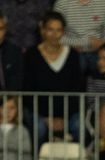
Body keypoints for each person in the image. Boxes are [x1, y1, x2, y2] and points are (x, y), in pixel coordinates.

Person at [24, 11, 86, 142]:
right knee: (38, 129)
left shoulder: (73, 56)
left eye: (58, 30)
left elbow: (77, 89)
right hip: (40, 114)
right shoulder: (31, 56)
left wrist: (64, 117)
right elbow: (28, 91)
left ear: (63, 31)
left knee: (80, 127)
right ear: (43, 30)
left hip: (67, 115)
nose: (54, 34)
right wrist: (47, 119)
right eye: (50, 30)